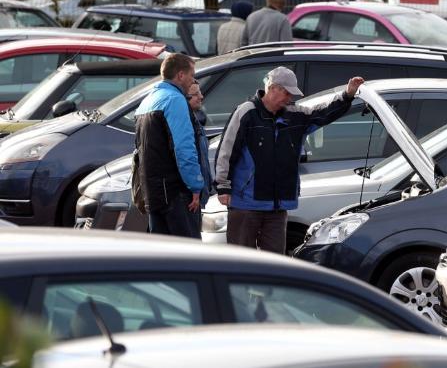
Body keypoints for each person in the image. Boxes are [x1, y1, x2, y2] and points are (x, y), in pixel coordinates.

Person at [214, 67, 364, 253]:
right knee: (240, 259)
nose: (290, 98)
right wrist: (223, 186)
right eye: (287, 92)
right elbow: (227, 150)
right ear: (272, 88)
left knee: (275, 262)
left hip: (278, 206)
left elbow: (323, 113)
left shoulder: (296, 114)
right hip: (246, 202)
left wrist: (347, 95)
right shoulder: (246, 112)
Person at [132, 53, 203, 239]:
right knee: (189, 255)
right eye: (191, 75)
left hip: (153, 193)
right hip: (175, 193)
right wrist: (195, 186)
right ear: (180, 75)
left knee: (162, 258)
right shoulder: (175, 100)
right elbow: (184, 148)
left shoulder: (147, 101)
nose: (192, 80)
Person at [186, 80, 212, 232]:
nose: (201, 96)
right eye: (195, 94)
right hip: (190, 199)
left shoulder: (197, 121)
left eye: (200, 92)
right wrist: (196, 189)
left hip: (197, 197)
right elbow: (187, 157)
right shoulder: (186, 123)